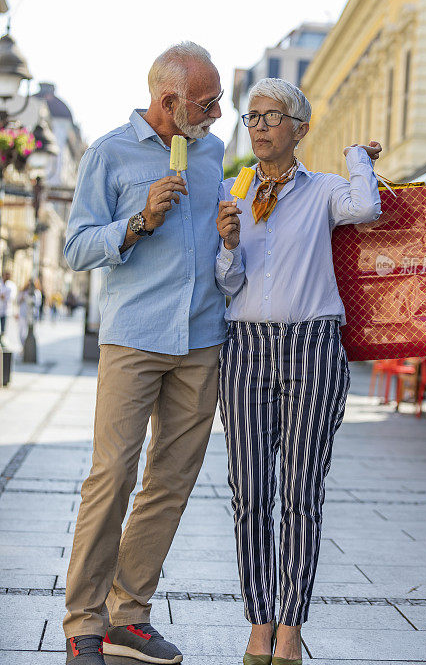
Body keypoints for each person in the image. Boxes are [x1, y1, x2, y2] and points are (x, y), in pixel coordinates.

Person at [62, 42, 226, 665]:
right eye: (207, 101)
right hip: (134, 335)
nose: (218, 111)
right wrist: (137, 222)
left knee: (170, 483)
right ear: (169, 101)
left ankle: (127, 616)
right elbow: (75, 247)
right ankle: (82, 621)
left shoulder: (211, 152)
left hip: (202, 337)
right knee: (111, 478)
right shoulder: (109, 152)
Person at [215, 77, 382, 665]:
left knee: (300, 491)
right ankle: (259, 621)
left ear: (299, 128)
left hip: (312, 344)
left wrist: (358, 158)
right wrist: (229, 244)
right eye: (251, 118)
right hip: (245, 347)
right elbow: (228, 285)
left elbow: (366, 207)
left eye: (270, 117)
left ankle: (291, 625)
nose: (258, 127)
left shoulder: (324, 191)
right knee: (249, 491)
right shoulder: (235, 193)